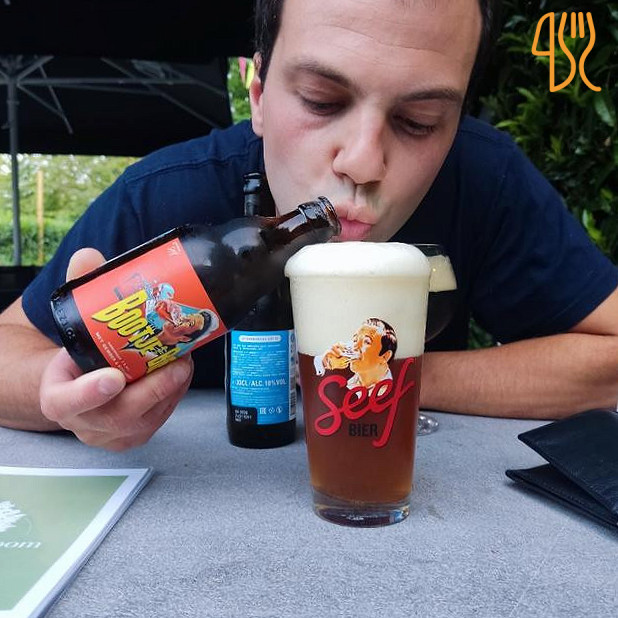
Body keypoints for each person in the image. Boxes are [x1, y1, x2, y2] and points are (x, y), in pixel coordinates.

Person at [0, 0, 616, 450]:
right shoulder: (169, 195)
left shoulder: (484, 177)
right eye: (322, 101)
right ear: (258, 94)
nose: (363, 162)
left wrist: (378, 376)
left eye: (420, 121)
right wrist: (62, 395)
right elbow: (10, 347)